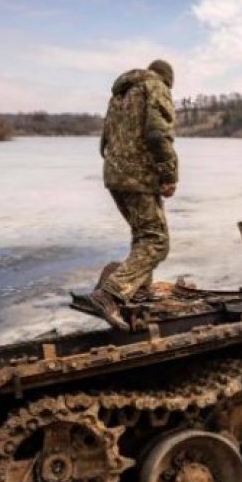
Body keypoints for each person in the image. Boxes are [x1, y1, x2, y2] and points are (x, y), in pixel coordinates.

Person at [89, 59, 178, 330]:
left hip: (114, 173)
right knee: (156, 241)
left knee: (142, 236)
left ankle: (138, 291)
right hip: (139, 174)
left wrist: (117, 166)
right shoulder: (156, 86)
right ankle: (111, 293)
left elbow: (104, 141)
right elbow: (157, 133)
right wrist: (169, 173)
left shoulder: (120, 93)